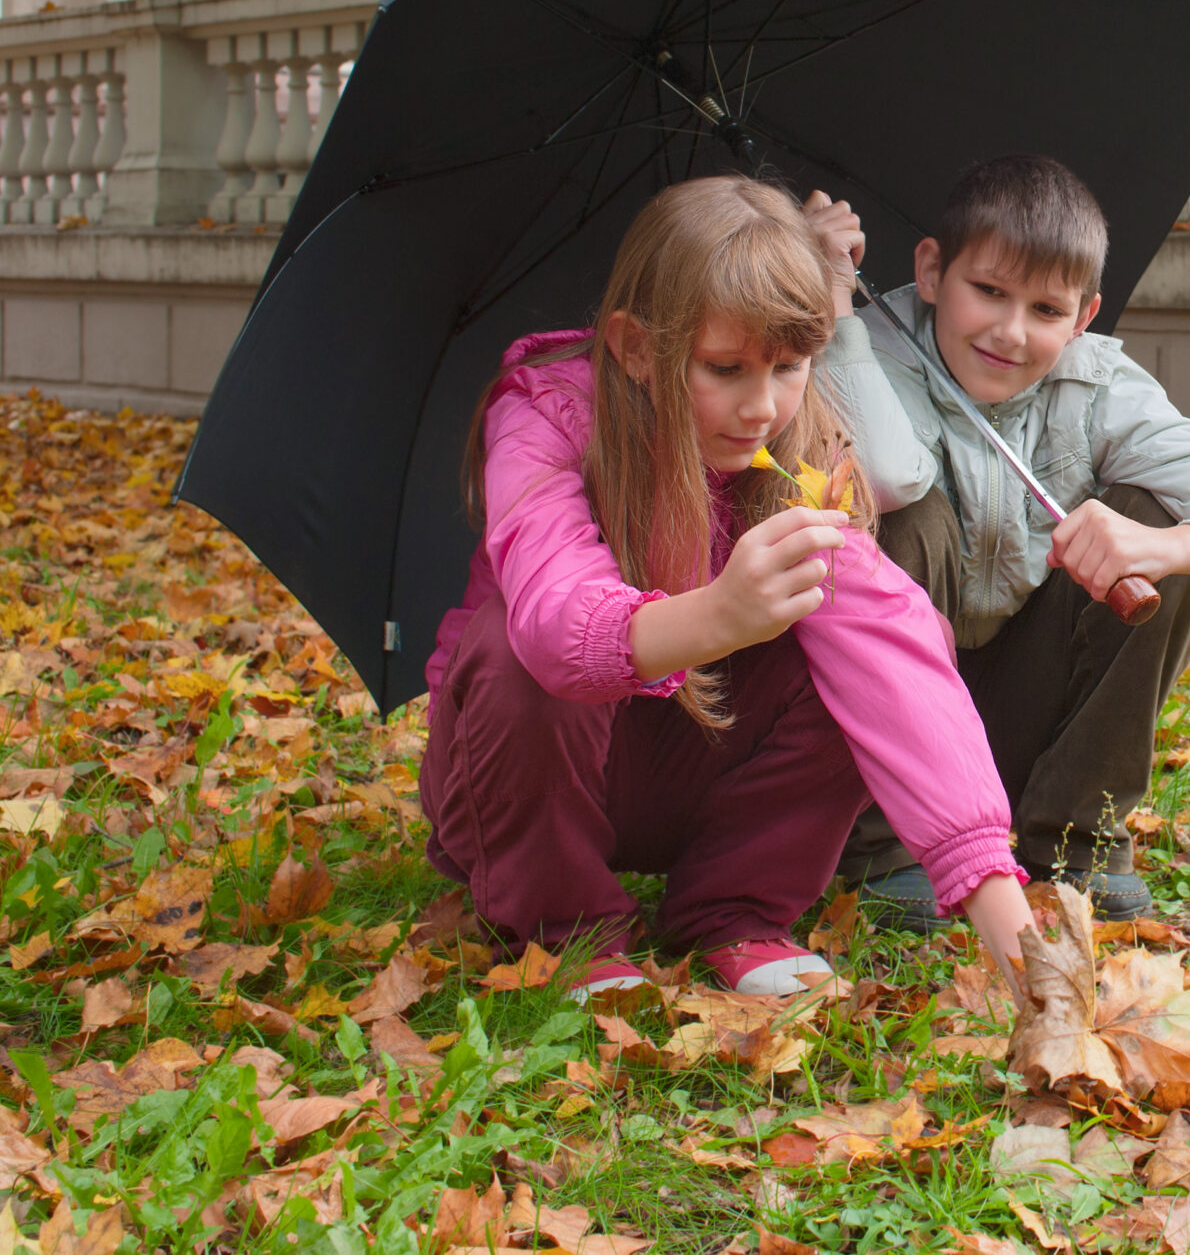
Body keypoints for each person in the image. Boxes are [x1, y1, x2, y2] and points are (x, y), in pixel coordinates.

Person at [417, 175, 1032, 1000]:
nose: (761, 407)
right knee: (508, 647)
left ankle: (734, 911)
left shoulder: (796, 448)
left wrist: (994, 898)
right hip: (519, 788)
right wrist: (717, 615)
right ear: (637, 347)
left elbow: (896, 652)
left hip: (687, 776)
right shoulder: (548, 415)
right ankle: (567, 926)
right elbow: (554, 626)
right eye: (725, 368)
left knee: (848, 647)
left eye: (789, 366)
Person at [813, 155, 1190, 928]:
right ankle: (885, 848)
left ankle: (1073, 837)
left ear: (1085, 316)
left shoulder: (1096, 387)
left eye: (1047, 310)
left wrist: (1169, 547)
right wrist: (836, 316)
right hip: (885, 723)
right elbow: (886, 477)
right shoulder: (865, 352)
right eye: (986, 291)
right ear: (930, 270)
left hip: (1016, 713)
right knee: (901, 516)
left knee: (1163, 525)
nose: (1010, 332)